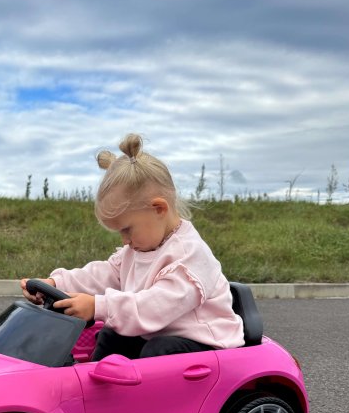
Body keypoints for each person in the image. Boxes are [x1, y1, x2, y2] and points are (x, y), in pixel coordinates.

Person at [20, 133, 244, 361]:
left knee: (160, 351)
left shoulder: (189, 257)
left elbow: (153, 308)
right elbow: (102, 274)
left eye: (127, 229)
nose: (124, 240)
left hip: (208, 345)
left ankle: (140, 386)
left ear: (158, 209)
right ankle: (97, 380)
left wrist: (98, 307)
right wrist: (57, 283)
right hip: (158, 333)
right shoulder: (139, 249)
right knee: (111, 335)